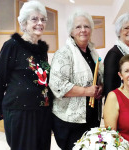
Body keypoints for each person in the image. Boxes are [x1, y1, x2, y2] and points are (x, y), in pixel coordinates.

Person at [0, 1, 52, 150]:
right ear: (23, 23)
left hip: (42, 112)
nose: (39, 23)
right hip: (20, 114)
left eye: (43, 19)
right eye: (34, 19)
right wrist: (2, 110)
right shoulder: (12, 45)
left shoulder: (42, 50)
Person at [49, 10, 103, 150]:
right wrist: (87, 91)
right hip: (69, 121)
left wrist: (99, 89)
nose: (83, 30)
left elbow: (99, 79)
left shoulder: (93, 53)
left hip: (91, 117)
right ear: (71, 32)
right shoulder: (63, 54)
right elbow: (58, 86)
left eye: (87, 26)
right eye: (78, 27)